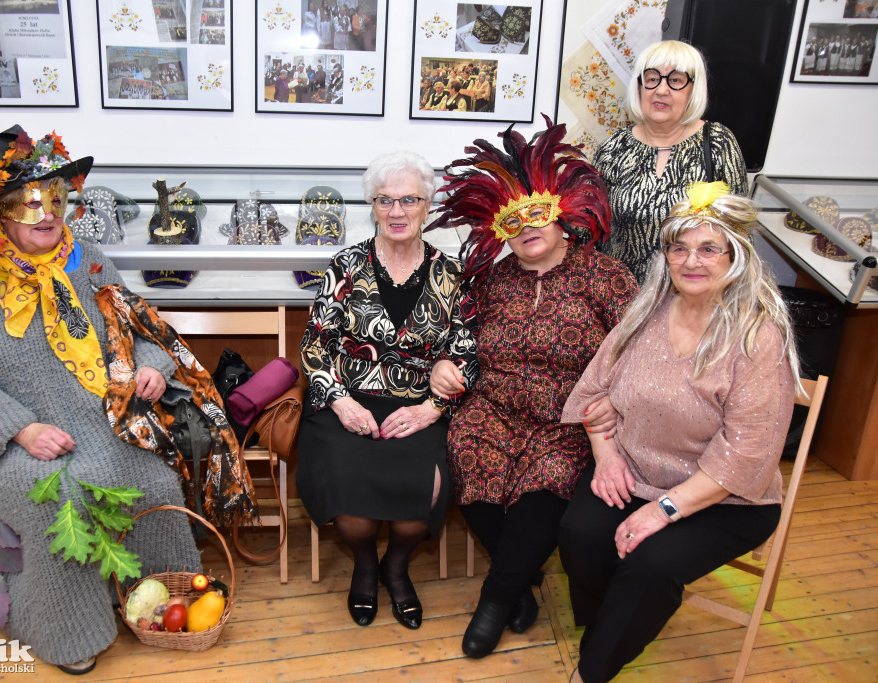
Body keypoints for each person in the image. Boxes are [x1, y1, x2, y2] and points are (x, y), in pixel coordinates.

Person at [0, 126, 237, 674]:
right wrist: (22, 430)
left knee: (154, 480)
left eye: (54, 199)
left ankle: (152, 603)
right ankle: (69, 630)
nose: (45, 213)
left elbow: (137, 325)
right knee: (61, 502)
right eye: (28, 204)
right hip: (18, 442)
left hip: (102, 422)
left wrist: (151, 365)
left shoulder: (88, 259)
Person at [557, 182, 800, 683]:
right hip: (636, 469)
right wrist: (606, 456)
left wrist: (662, 511)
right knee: (578, 534)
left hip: (724, 498)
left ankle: (591, 670)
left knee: (649, 566)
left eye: (710, 248)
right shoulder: (646, 314)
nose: (692, 260)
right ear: (665, 255)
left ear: (736, 258)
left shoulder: (756, 337)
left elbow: (745, 456)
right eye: (680, 247)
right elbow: (589, 393)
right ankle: (610, 627)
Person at [427, 119, 638, 658]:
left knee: (546, 482)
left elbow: (640, 353)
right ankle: (518, 580)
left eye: (535, 213)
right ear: (497, 229)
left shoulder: (606, 277)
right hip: (493, 409)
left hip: (570, 417)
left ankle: (496, 599)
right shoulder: (489, 281)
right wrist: (445, 365)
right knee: (468, 456)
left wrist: (611, 400)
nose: (526, 227)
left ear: (562, 210)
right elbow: (457, 338)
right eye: (511, 220)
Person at [296, 151, 476, 631]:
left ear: (428, 204)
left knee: (425, 497)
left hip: (418, 407)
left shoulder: (452, 274)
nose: (397, 211)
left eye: (409, 200)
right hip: (345, 401)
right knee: (352, 504)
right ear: (372, 206)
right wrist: (340, 399)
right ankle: (365, 564)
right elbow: (314, 346)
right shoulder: (345, 264)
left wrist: (434, 408)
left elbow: (468, 353)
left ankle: (396, 566)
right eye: (385, 200)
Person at [594, 40, 748, 284]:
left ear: (693, 89)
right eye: (652, 78)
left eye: (675, 80)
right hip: (621, 296)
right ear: (639, 86)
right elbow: (592, 232)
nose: (661, 90)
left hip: (690, 297)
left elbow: (738, 234)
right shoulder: (613, 149)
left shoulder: (718, 143)